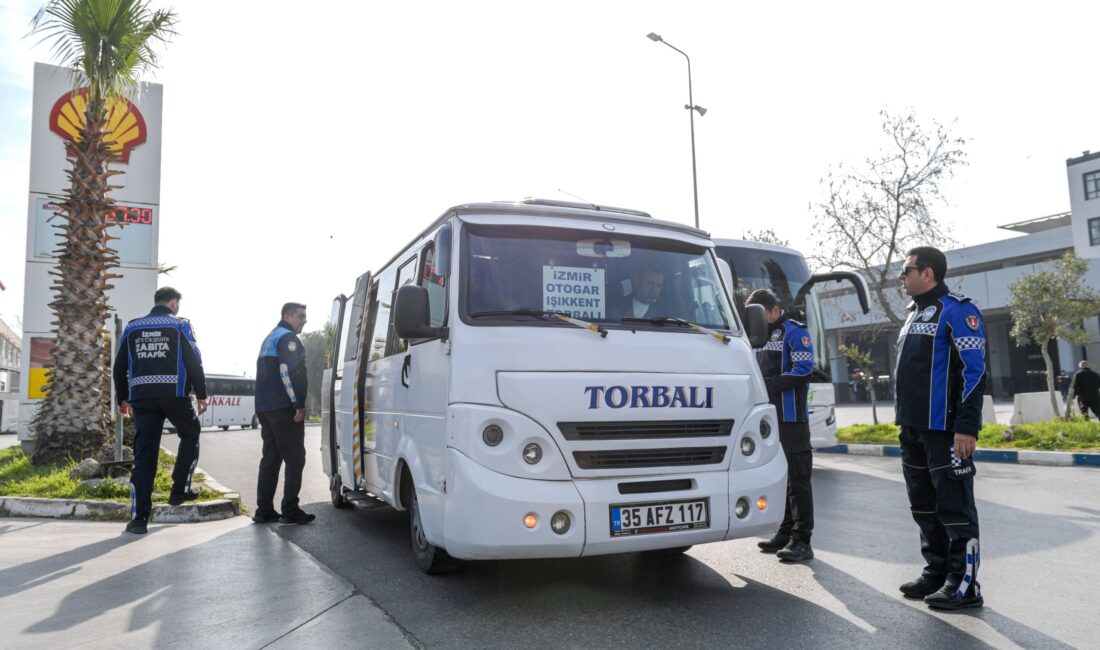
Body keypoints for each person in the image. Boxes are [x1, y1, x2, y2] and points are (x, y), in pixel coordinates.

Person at [895, 246, 986, 611]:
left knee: (955, 509)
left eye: (906, 270)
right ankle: (936, 572)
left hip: (946, 430)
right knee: (924, 507)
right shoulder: (913, 312)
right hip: (912, 428)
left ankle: (964, 585)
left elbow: (974, 373)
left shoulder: (959, 310)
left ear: (928, 273)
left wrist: (967, 427)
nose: (902, 277)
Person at [113, 287, 208, 535]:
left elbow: (119, 366)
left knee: (144, 457)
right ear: (173, 304)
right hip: (175, 395)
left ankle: (139, 519)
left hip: (142, 398)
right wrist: (201, 394)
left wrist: (122, 398)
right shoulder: (181, 325)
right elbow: (194, 360)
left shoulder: (132, 327)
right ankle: (179, 490)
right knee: (190, 434)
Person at [748, 289, 815, 562]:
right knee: (781, 479)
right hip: (767, 419)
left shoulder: (795, 332)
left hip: (791, 418)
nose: (755, 320)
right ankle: (785, 533)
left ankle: (802, 540)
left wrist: (766, 385)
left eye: (760, 314)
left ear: (774, 310)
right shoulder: (757, 336)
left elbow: (803, 371)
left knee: (799, 480)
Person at [253, 302, 313, 525]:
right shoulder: (288, 338)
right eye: (301, 316)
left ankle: (264, 511)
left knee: (270, 459)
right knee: (295, 459)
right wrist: (297, 403)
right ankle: (290, 511)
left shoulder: (270, 337)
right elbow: (287, 371)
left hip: (265, 407)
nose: (305, 321)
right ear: (287, 316)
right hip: (284, 408)